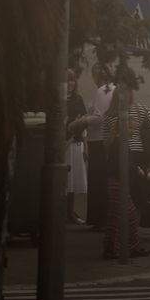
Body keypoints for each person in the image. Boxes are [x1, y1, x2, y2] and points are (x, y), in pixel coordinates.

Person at [100, 81, 150, 260]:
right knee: (126, 207)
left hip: (136, 159)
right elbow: (106, 142)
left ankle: (126, 241)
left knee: (134, 203)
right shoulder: (111, 116)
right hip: (126, 161)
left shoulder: (141, 110)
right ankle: (126, 243)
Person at [84, 62, 115, 228]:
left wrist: (82, 121)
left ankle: (99, 218)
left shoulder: (103, 91)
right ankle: (101, 217)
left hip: (98, 140)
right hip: (104, 139)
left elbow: (99, 118)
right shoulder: (112, 89)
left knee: (98, 181)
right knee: (101, 180)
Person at [64, 68, 89, 225]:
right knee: (64, 179)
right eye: (67, 80)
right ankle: (62, 211)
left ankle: (70, 211)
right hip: (63, 144)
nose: (70, 83)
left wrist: (86, 147)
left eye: (72, 80)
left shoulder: (78, 99)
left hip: (76, 143)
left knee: (73, 180)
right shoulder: (57, 100)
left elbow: (84, 120)